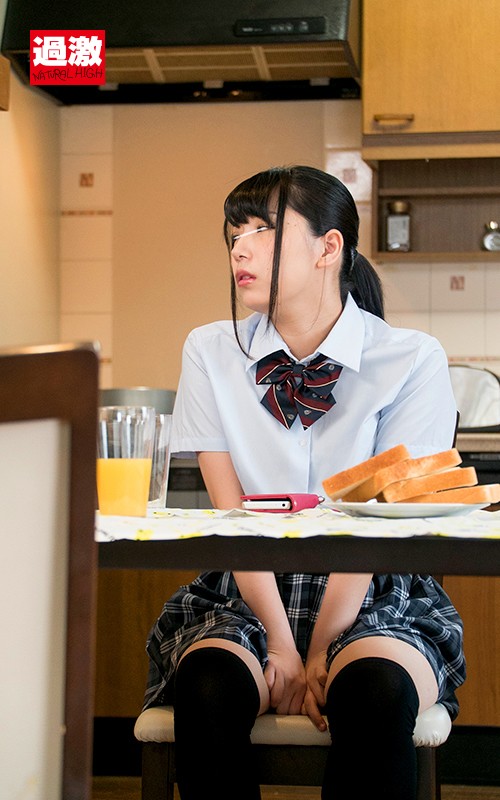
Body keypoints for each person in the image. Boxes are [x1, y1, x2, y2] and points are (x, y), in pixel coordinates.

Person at [144, 165, 465, 800]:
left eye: (261, 230)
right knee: (208, 688)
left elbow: (379, 528)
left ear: (328, 247)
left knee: (375, 692)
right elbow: (233, 519)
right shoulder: (210, 350)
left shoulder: (411, 358)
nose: (239, 249)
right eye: (234, 233)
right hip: (248, 583)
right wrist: (281, 643)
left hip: (373, 586)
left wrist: (319, 646)